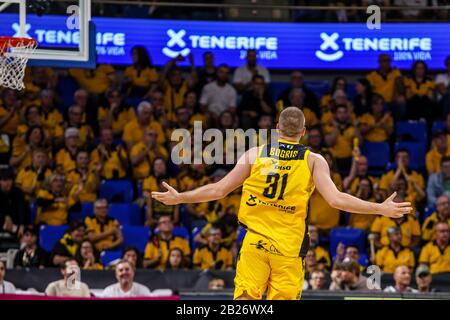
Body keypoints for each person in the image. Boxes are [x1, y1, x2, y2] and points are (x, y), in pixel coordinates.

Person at [151, 107, 412, 300]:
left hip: (255, 242)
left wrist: (181, 197)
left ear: (277, 129)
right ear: (303, 132)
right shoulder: (313, 160)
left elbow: (219, 190)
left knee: (244, 302)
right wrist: (379, 207)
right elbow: (336, 200)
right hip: (288, 248)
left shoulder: (255, 154)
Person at [0, 167, 29, 243]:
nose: (8, 183)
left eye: (10, 180)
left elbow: (22, 210)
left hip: (16, 223)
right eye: (5, 180)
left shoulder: (18, 192)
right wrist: (5, 217)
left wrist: (22, 225)